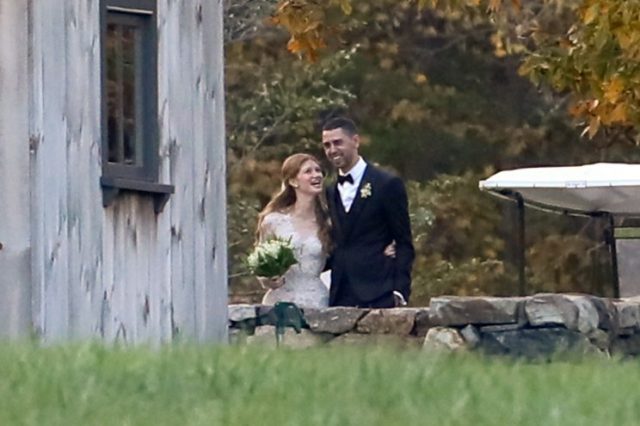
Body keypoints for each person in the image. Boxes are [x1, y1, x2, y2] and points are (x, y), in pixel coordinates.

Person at [322, 116, 415, 308]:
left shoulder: (387, 184)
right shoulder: (330, 190)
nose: (332, 150)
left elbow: (404, 241)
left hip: (379, 289)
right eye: (327, 145)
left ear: (355, 141)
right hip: (340, 290)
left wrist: (400, 290)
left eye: (338, 142)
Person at [255, 153, 332, 308]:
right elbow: (261, 267)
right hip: (279, 301)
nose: (316, 175)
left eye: (318, 170)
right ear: (293, 181)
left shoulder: (328, 222)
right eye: (308, 171)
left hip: (316, 300)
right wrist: (269, 280)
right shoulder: (273, 221)